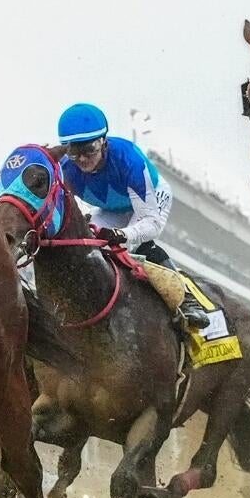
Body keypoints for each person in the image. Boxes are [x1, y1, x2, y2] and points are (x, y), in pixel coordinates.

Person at [48, 103, 210, 331]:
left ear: (103, 141)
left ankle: (187, 300)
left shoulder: (128, 159)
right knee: (86, 244)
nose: (82, 159)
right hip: (111, 209)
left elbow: (151, 224)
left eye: (89, 149)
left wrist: (122, 234)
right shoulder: (66, 169)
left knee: (138, 245)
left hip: (150, 202)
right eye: (74, 152)